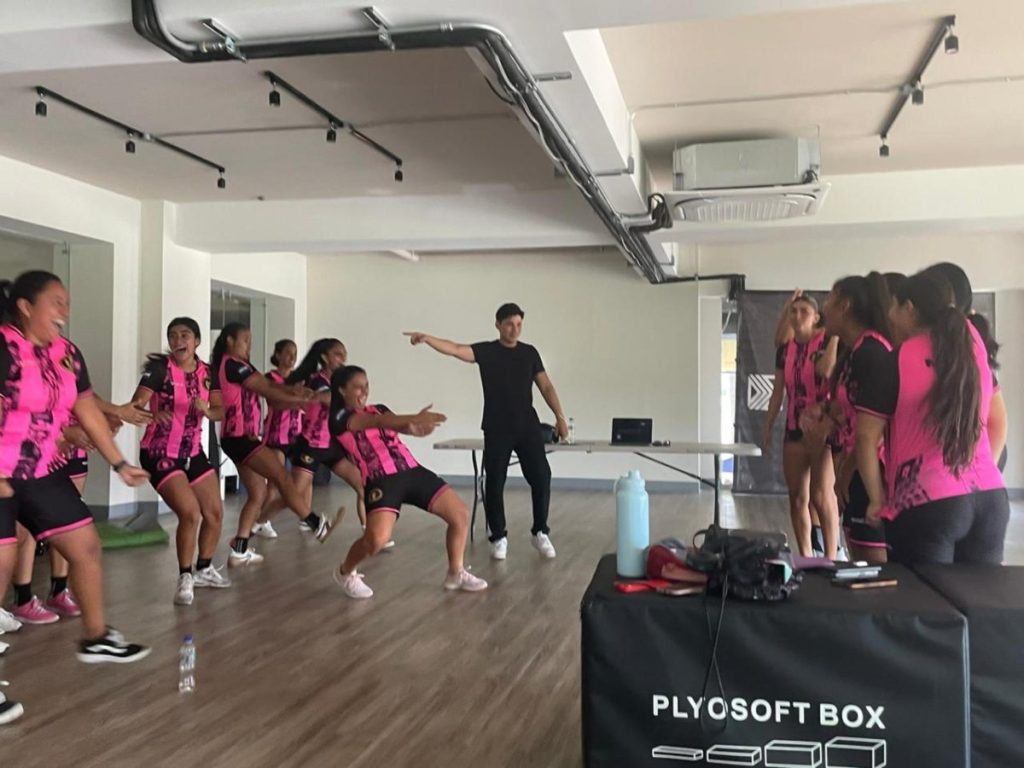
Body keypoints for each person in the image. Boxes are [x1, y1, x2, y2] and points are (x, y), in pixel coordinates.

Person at [0, 271, 151, 685]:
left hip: (41, 470)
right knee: (2, 562)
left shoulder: (68, 353)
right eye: (55, 302)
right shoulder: (4, 347)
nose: (64, 311)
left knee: (85, 545)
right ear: (26, 307)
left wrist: (119, 462)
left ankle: (96, 637)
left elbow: (85, 409)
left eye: (67, 302)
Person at [855, 272, 1009, 564]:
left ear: (909, 309)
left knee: (924, 605)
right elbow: (998, 419)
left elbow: (865, 437)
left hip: (927, 501)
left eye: (894, 306)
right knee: (980, 606)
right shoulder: (972, 348)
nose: (889, 314)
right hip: (991, 498)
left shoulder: (896, 360)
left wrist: (876, 498)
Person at [405, 303, 568, 561]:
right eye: (509, 324)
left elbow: (546, 387)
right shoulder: (487, 351)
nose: (514, 329)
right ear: (498, 325)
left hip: (527, 426)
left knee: (541, 476)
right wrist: (427, 339)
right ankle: (499, 536)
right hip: (497, 426)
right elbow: (455, 349)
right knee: (494, 482)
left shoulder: (529, 353)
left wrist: (560, 417)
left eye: (518, 324)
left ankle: (540, 532)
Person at [328, 365, 487, 598]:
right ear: (342, 390)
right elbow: (374, 423)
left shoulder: (379, 409)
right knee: (376, 540)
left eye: (367, 385)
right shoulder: (340, 418)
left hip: (411, 470)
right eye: (358, 387)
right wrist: (413, 417)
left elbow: (400, 426)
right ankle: (345, 572)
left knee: (459, 514)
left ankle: (456, 572)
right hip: (381, 480)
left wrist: (417, 428)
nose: (364, 391)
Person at [210, 323, 336, 564]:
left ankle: (240, 548)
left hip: (238, 439)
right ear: (229, 341)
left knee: (257, 494)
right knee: (282, 477)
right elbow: (267, 388)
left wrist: (298, 396)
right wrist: (299, 396)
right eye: (245, 340)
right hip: (240, 438)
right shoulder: (233, 364)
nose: (249, 344)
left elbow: (272, 388)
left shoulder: (238, 365)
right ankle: (314, 523)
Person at [131, 317, 232, 605]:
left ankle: (204, 569)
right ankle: (184, 576)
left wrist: (207, 411)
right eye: (173, 336)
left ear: (196, 341)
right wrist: (153, 414)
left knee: (214, 513)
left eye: (184, 335)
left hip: (193, 452)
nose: (178, 341)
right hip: (159, 453)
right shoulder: (159, 369)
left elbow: (219, 411)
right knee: (190, 514)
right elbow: (135, 405)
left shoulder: (208, 373)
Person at [258, 339, 369, 538]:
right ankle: (258, 522)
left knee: (362, 484)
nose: (343, 359)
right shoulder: (318, 379)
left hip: (330, 446)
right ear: (325, 358)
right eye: (337, 354)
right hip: (310, 445)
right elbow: (326, 398)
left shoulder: (340, 383)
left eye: (344, 354)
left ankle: (370, 532)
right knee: (293, 495)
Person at [822, 273, 895, 564]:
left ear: (845, 305)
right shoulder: (856, 351)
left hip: (872, 472)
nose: (823, 307)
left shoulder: (872, 353)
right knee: (858, 562)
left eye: (829, 298)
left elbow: (873, 432)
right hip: (857, 470)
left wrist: (853, 473)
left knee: (874, 568)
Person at [762, 294, 840, 558]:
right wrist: (768, 425)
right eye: (793, 311)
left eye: (804, 311)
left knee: (822, 495)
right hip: (794, 427)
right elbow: (777, 392)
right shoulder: (785, 349)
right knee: (797, 497)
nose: (797, 316)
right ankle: (805, 556)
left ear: (816, 317)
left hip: (822, 428)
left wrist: (835, 338)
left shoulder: (828, 341)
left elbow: (826, 371)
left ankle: (831, 557)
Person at [918, 262, 1008, 470]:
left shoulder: (964, 352)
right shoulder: (927, 349)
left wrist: (984, 473)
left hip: (977, 463)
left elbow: (998, 420)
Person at [251, 339, 302, 539]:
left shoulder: (299, 379)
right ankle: (263, 521)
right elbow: (274, 401)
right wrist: (298, 399)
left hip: (296, 436)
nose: (292, 358)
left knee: (302, 480)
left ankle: (305, 519)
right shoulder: (270, 377)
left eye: (295, 353)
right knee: (274, 482)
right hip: (275, 436)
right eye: (288, 353)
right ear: (278, 355)